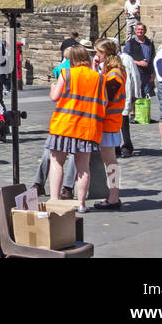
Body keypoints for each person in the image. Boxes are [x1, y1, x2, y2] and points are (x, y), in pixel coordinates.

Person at [46, 44, 104, 213]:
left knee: (57, 162)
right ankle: (81, 203)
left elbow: (55, 97)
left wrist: (51, 89)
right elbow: (104, 101)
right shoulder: (98, 77)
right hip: (88, 126)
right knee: (83, 167)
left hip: (65, 124)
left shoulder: (67, 74)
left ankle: (54, 199)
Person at [90, 39, 127, 210]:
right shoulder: (112, 72)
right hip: (110, 122)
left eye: (98, 52)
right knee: (109, 161)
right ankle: (113, 195)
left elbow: (105, 97)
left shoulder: (114, 75)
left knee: (110, 162)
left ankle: (114, 196)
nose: (96, 55)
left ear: (105, 53)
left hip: (109, 122)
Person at [119, 43, 140, 157]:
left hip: (122, 94)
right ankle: (115, 145)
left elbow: (133, 77)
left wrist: (134, 94)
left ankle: (127, 145)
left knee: (123, 121)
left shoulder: (125, 59)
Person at [124, 23, 155, 98]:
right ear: (135, 31)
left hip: (147, 73)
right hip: (135, 71)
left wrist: (153, 73)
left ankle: (145, 109)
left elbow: (153, 57)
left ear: (145, 31)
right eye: (138, 29)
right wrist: (138, 62)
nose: (140, 31)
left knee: (147, 95)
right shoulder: (130, 43)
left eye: (142, 29)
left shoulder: (149, 43)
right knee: (135, 95)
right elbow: (125, 58)